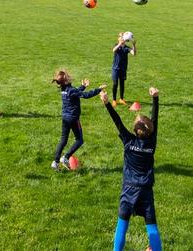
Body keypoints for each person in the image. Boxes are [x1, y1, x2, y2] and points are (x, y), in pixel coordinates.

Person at [102, 86, 162, 251]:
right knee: (151, 227)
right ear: (151, 132)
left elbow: (118, 122)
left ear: (135, 131)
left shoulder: (129, 141)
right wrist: (155, 98)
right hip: (145, 190)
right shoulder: (152, 142)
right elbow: (155, 120)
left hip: (128, 189)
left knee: (122, 225)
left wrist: (107, 103)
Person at [51, 69, 102, 170]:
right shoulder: (71, 89)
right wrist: (98, 89)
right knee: (79, 140)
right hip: (73, 119)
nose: (70, 76)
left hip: (65, 118)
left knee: (63, 140)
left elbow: (76, 93)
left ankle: (55, 162)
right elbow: (86, 95)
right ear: (66, 80)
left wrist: (83, 86)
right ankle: (65, 157)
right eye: (68, 75)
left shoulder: (64, 89)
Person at [110, 33, 136, 105]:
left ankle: (121, 99)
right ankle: (114, 100)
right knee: (115, 83)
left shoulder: (127, 48)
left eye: (122, 39)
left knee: (122, 83)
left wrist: (134, 45)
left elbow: (134, 53)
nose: (121, 40)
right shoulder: (116, 46)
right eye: (120, 39)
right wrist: (119, 44)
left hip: (123, 69)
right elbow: (113, 50)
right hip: (115, 69)